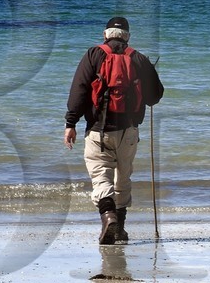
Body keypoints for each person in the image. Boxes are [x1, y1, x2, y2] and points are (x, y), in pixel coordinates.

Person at [64, 15, 164, 244]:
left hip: (99, 131)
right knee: (123, 179)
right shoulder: (138, 58)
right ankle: (120, 229)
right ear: (127, 36)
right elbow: (154, 97)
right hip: (129, 132)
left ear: (105, 34)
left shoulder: (93, 54)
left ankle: (108, 217)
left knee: (101, 176)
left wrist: (71, 123)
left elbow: (78, 91)